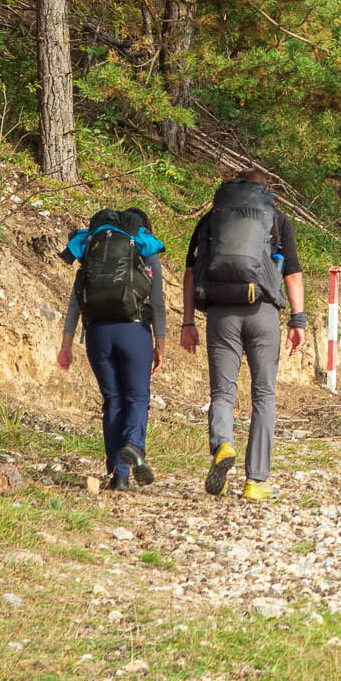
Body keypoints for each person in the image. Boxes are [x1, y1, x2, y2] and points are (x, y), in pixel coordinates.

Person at [179, 170, 307, 501]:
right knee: (263, 396)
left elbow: (191, 272)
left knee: (222, 392)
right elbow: (292, 273)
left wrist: (188, 321)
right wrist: (298, 320)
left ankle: (222, 443)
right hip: (262, 312)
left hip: (221, 313)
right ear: (267, 192)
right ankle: (256, 481)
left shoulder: (212, 218)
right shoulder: (277, 219)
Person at [56, 206, 165, 490]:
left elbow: (75, 302)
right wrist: (160, 343)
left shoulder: (94, 248)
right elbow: (158, 303)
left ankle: (119, 476)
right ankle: (133, 446)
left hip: (97, 334)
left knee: (113, 400)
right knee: (137, 398)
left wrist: (66, 344)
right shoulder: (145, 248)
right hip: (133, 331)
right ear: (141, 228)